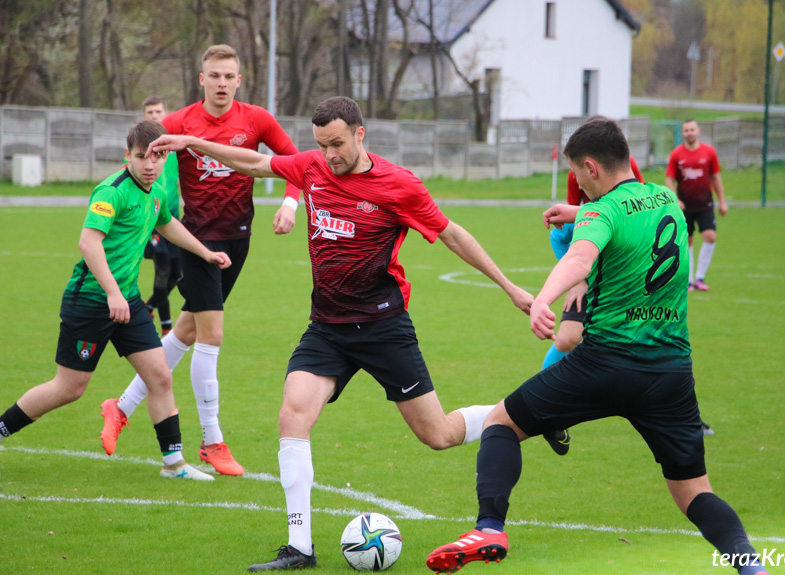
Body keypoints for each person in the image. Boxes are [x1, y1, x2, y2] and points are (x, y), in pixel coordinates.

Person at [146, 96, 535, 571]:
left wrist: (510, 287)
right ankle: (299, 548)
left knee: (438, 433)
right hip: (326, 329)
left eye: (337, 143)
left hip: (383, 327)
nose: (329, 154)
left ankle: (523, 414)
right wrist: (192, 142)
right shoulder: (311, 167)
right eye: (321, 145)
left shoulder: (398, 185)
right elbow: (255, 161)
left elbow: (452, 235)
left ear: (359, 133)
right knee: (293, 416)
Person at [427, 117, 769, 575]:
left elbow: (580, 256)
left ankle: (489, 527)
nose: (579, 188)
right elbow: (628, 212)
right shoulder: (667, 199)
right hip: (670, 373)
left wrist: (542, 300)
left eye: (578, 176)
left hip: (604, 365)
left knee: (500, 424)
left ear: (591, 167)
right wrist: (579, 212)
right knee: (694, 492)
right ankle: (752, 567)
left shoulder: (598, 212)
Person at [100, 45, 302, 477]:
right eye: (215, 75)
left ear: (240, 80)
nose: (223, 83)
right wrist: (143, 210)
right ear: (201, 79)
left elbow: (296, 164)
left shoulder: (257, 119)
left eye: (230, 76)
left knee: (188, 329)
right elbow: (137, 157)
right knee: (212, 335)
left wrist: (289, 205)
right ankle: (212, 441)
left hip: (240, 239)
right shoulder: (179, 123)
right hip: (199, 241)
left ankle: (120, 407)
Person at [0, 121, 231, 482]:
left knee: (159, 376)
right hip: (91, 301)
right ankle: (1, 429)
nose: (150, 164)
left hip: (128, 302)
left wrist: (206, 253)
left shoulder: (156, 191)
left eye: (157, 156)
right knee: (69, 388)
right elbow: (88, 243)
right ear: (129, 156)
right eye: (142, 157)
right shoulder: (112, 191)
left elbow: (167, 224)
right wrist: (111, 292)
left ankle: (174, 465)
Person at [541, 157, 645, 455]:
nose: (578, 178)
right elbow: (562, 233)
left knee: (645, 341)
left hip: (621, 273)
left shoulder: (625, 167)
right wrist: (576, 278)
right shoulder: (580, 180)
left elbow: (636, 206)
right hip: (586, 267)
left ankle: (679, 412)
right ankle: (546, 407)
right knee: (568, 338)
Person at [665, 119, 727, 292]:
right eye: (686, 130)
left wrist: (722, 201)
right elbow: (669, 178)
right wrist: (675, 200)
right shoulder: (677, 154)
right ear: (682, 133)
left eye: (692, 129)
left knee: (710, 236)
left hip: (705, 203)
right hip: (685, 206)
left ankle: (700, 277)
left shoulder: (709, 152)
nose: (689, 133)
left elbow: (715, 177)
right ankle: (689, 280)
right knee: (687, 241)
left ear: (698, 131)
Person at [140, 95, 182, 336]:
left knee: (177, 274)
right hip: (152, 222)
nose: (155, 116)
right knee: (163, 269)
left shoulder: (174, 149)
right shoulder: (139, 150)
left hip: (174, 220)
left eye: (158, 112)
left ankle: (149, 306)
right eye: (150, 112)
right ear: (144, 117)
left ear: (166, 114)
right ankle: (166, 327)